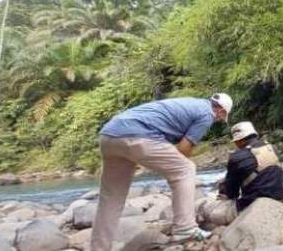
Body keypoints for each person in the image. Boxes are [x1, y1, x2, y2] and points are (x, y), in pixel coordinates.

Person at [90, 94, 232, 251]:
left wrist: (155, 162)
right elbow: (184, 149)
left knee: (111, 199)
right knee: (186, 169)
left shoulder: (189, 103)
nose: (217, 120)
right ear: (220, 111)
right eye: (221, 118)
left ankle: (98, 248)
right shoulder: (207, 114)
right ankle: (185, 228)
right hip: (139, 136)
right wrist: (167, 168)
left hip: (109, 135)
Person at [218, 121, 283, 212]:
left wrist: (223, 189)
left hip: (251, 206)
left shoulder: (236, 157)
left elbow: (232, 193)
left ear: (240, 140)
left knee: (211, 211)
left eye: (236, 142)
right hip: (279, 200)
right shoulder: (273, 148)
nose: (236, 145)